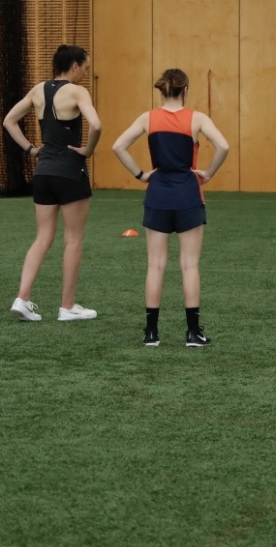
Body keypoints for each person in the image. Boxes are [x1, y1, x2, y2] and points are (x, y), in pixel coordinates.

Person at [112, 68, 229, 347]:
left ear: (163, 90)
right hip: (189, 194)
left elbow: (118, 146)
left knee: (155, 265)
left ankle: (151, 333)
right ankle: (193, 333)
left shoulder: (148, 118)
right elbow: (223, 146)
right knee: (189, 265)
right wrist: (209, 173)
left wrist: (141, 175)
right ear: (185, 90)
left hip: (158, 195)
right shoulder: (197, 118)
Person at [4, 44, 102, 322]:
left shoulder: (38, 90)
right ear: (74, 66)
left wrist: (31, 149)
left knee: (42, 238)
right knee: (73, 240)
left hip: (43, 173)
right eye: (85, 66)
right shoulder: (78, 91)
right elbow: (96, 125)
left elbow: (9, 120)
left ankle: (22, 299)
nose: (85, 72)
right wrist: (88, 150)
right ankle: (67, 307)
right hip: (71, 171)